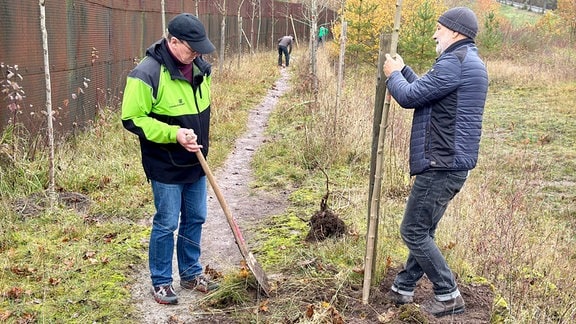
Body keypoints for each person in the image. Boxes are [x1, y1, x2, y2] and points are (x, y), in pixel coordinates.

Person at [382, 7, 488, 317]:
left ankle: (448, 293)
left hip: (440, 163)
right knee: (423, 230)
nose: (434, 34)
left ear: (455, 32)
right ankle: (404, 286)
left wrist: (392, 76)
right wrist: (404, 72)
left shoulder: (454, 63)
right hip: (452, 163)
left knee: (413, 231)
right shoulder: (467, 61)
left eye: (439, 29)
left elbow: (410, 98)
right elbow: (428, 92)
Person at [121, 13, 219, 305]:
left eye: (199, 49)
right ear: (172, 41)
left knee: (197, 217)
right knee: (166, 222)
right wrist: (174, 134)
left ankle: (190, 273)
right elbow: (132, 118)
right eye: (191, 49)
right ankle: (161, 281)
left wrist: (194, 140)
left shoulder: (200, 68)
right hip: (165, 164)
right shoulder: (147, 72)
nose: (197, 54)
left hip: (196, 160)